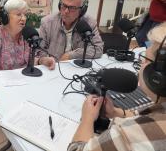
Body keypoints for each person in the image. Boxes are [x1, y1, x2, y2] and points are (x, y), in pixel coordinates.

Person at [68, 22, 166, 151]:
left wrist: (87, 119)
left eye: (145, 60)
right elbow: (153, 114)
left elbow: (76, 149)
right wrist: (116, 112)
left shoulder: (132, 135)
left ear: (157, 77)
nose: (141, 65)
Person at [0, 0, 56, 111]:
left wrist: (42, 60)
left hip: (23, 84)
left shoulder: (27, 34)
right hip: (2, 87)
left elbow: (29, 59)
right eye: (18, 14)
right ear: (5, 17)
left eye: (25, 14)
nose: (23, 18)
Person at [39, 0, 103, 61]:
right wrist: (45, 60)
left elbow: (98, 49)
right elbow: (39, 50)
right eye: (64, 5)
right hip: (54, 67)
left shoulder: (89, 23)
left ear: (82, 10)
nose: (66, 11)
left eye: (72, 8)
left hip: (76, 67)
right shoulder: (47, 22)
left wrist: (72, 55)